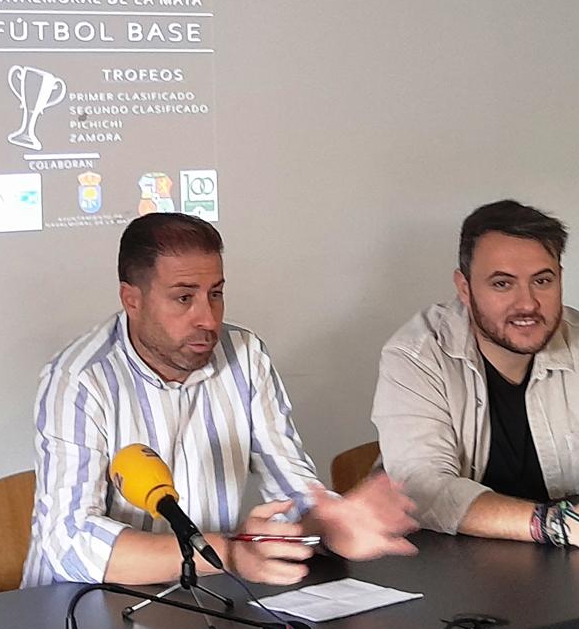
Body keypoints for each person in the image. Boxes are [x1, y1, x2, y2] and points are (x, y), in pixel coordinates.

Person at [21, 213, 418, 587]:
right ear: (132, 300)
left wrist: (332, 524)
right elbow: (69, 542)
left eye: (216, 294)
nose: (208, 319)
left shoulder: (245, 356)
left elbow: (292, 492)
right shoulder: (79, 379)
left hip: (203, 595)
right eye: (183, 298)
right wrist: (226, 553)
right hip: (78, 612)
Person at [372, 199, 579, 551]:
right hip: (457, 571)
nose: (528, 304)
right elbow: (423, 489)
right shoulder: (416, 354)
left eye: (542, 281)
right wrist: (561, 525)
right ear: (465, 288)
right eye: (503, 284)